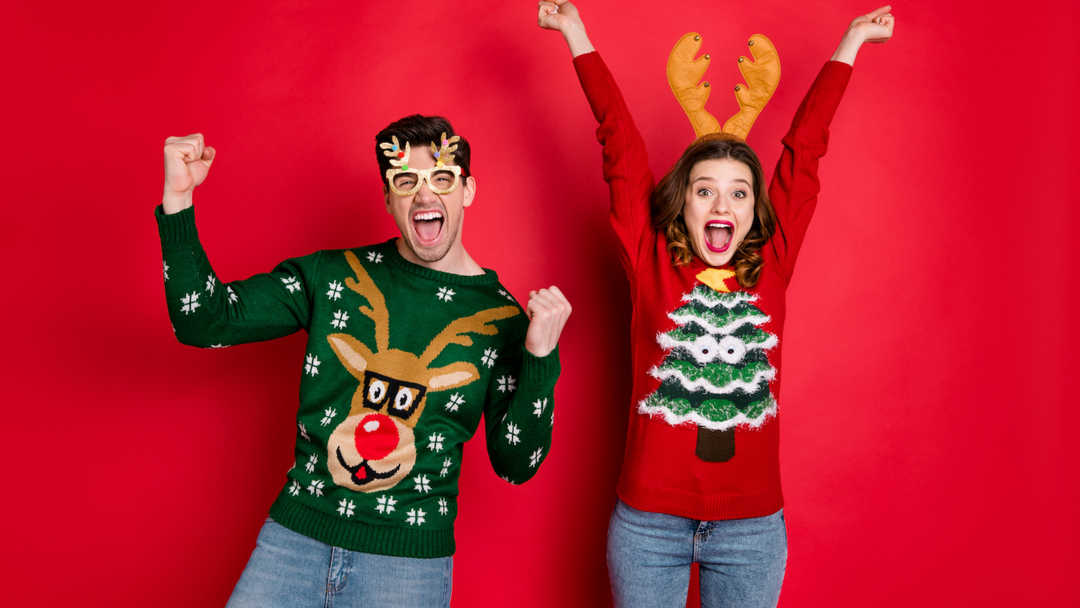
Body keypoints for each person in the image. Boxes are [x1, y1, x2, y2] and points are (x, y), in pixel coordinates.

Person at [538, 2, 893, 606]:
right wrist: (577, 35)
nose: (721, 204)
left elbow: (804, 156)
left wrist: (848, 45)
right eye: (705, 191)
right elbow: (620, 148)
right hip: (648, 525)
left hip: (752, 531)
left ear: (755, 210)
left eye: (738, 192)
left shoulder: (772, 264)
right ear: (683, 203)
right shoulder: (651, 262)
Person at [156, 115, 571, 607]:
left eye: (441, 178)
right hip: (294, 541)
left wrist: (540, 359)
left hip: (407, 569)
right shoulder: (332, 276)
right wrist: (178, 198)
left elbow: (516, 465)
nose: (424, 195)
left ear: (468, 190)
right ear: (388, 197)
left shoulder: (500, 318)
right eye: (405, 181)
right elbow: (204, 321)